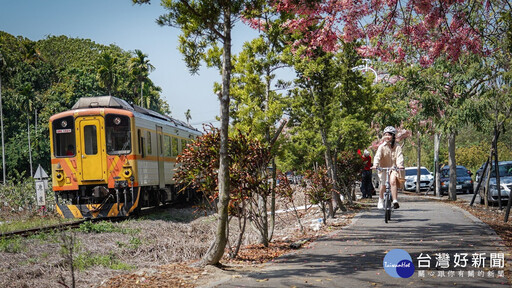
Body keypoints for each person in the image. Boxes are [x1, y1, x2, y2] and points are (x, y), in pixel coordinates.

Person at [372, 126, 404, 209]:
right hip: (383, 169)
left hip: (393, 169)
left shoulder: (397, 147)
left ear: (393, 136)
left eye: (389, 135)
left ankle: (395, 201)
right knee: (383, 185)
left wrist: (400, 165)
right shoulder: (381, 147)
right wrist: (375, 164)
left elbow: (399, 156)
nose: (387, 136)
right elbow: (377, 156)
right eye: (385, 134)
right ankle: (381, 199)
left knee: (393, 181)